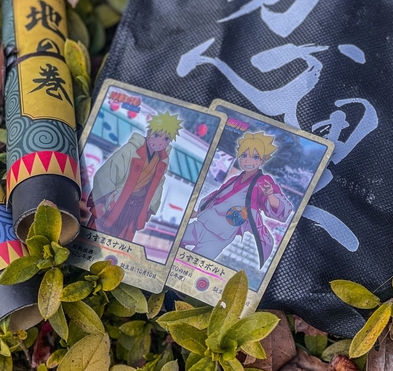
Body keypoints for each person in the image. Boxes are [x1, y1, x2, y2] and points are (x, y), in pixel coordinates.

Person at [181, 131, 292, 267]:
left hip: (220, 235)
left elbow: (281, 210)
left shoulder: (263, 181)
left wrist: (270, 195)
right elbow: (216, 197)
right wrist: (197, 212)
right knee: (172, 243)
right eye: (244, 155)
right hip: (202, 224)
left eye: (255, 157)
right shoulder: (235, 179)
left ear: (261, 161)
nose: (248, 161)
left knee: (192, 265)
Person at [87, 112, 182, 241]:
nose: (159, 142)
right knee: (94, 237)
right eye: (156, 135)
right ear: (149, 132)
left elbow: (158, 186)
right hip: (113, 203)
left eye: (166, 139)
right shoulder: (130, 150)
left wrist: (149, 209)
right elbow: (106, 173)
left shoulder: (163, 160)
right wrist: (102, 201)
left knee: (120, 243)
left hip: (135, 209)